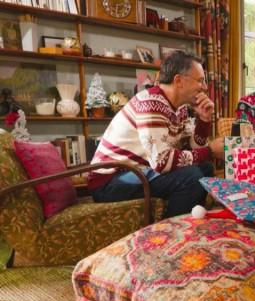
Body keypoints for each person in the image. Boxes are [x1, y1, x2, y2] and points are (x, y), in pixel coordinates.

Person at [88, 50, 224, 218]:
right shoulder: (150, 104)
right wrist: (210, 151)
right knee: (191, 176)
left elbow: (193, 148)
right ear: (179, 81)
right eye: (200, 81)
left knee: (205, 168)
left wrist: (204, 120)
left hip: (139, 171)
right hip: (110, 180)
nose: (204, 87)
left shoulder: (179, 108)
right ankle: (172, 234)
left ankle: (190, 222)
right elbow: (162, 161)